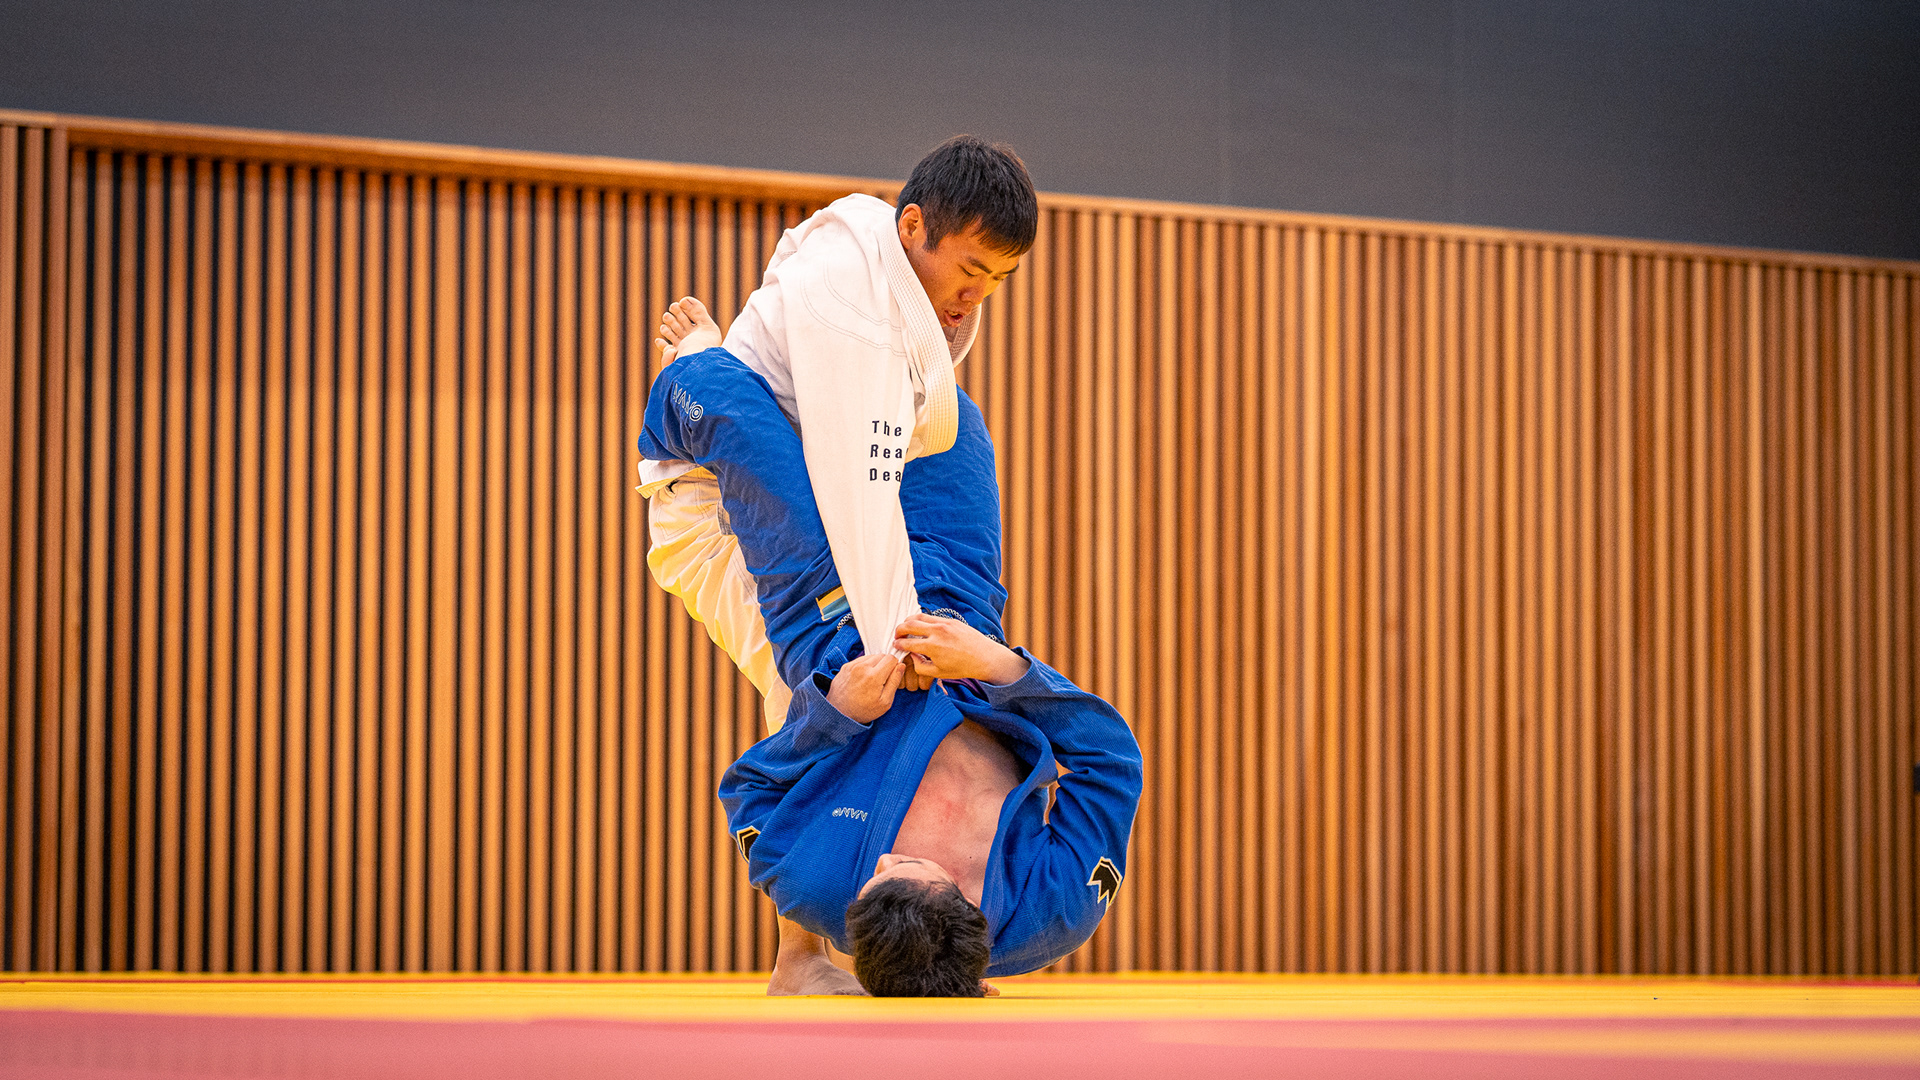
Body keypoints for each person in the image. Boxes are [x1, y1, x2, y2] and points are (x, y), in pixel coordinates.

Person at [636, 346, 1142, 997]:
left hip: (825, 612)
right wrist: (997, 665)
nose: (879, 861)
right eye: (906, 866)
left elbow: (751, 789)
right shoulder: (1052, 910)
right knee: (941, 403)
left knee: (707, 387)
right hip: (958, 599)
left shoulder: (821, 891)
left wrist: (835, 713)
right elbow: (1111, 761)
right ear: (969, 911)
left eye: (872, 879)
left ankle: (731, 366)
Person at [639, 135, 1037, 732]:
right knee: (840, 666)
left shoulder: (878, 245)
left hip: (800, 440)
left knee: (960, 425)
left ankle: (957, 620)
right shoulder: (853, 316)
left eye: (998, 278)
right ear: (912, 226)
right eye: (971, 270)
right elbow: (861, 505)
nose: (977, 295)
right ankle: (701, 362)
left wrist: (972, 651)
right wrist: (900, 646)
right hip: (712, 498)